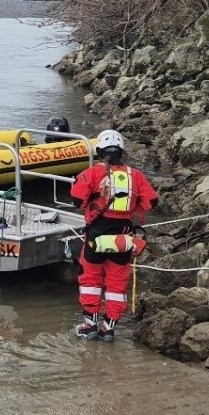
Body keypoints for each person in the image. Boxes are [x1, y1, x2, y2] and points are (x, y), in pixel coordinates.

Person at [69, 129, 158, 342]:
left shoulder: (91, 174)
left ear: (99, 150)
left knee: (90, 279)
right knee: (117, 282)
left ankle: (89, 325)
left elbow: (76, 199)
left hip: (96, 233)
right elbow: (152, 202)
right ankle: (109, 327)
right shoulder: (136, 176)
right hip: (123, 235)